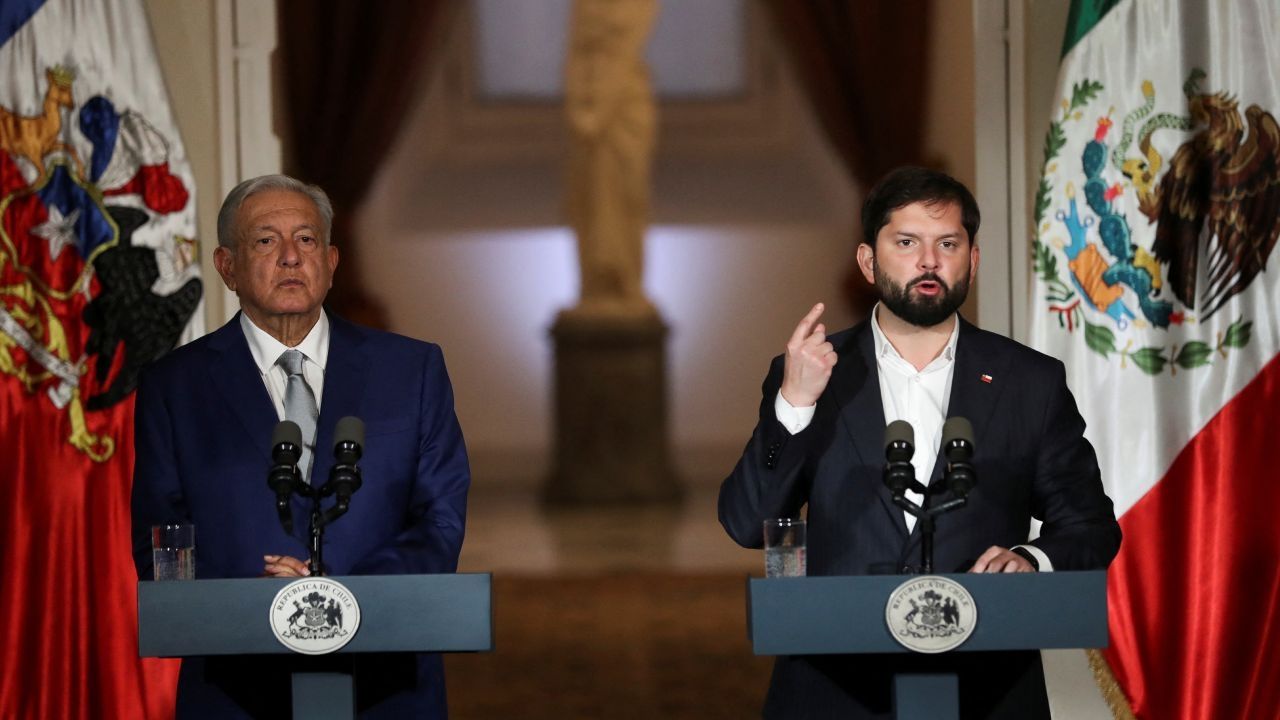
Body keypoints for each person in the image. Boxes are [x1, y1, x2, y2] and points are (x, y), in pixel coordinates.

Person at [718, 166, 1121, 719]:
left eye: (947, 243)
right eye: (906, 242)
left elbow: (1090, 525)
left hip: (988, 690)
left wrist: (1033, 558)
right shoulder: (814, 374)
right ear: (868, 260)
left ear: (972, 261)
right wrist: (794, 405)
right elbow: (747, 522)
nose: (928, 261)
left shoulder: (1030, 381)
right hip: (835, 690)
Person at [131, 174, 470, 718]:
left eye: (307, 240)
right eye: (266, 240)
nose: (291, 257)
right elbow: (161, 542)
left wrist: (333, 597)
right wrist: (253, 606)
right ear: (227, 266)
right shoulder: (175, 387)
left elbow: (439, 521)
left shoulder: (411, 371)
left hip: (387, 687)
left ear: (332, 261)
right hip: (236, 689)